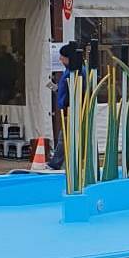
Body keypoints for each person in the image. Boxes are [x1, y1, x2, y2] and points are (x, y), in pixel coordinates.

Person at [47, 42, 78, 171]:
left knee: (63, 137)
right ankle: (58, 162)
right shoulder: (69, 71)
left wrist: (66, 104)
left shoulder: (74, 72)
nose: (60, 59)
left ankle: (55, 163)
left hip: (70, 108)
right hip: (67, 108)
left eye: (62, 57)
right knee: (64, 136)